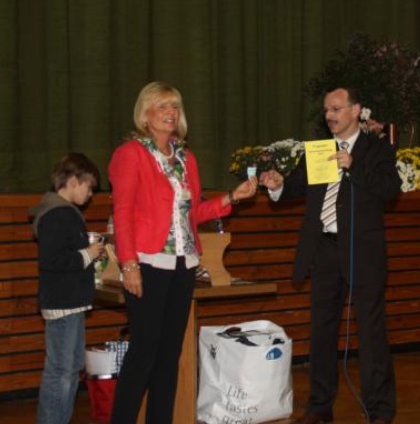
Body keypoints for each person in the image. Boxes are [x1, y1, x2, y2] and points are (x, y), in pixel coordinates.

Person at [108, 81, 257, 424]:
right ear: (145, 114)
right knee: (144, 351)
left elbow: (195, 214)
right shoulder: (130, 154)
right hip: (147, 261)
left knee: (169, 353)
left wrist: (232, 197)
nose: (170, 113)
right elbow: (123, 212)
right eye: (162, 106)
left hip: (183, 263)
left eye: (174, 106)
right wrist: (129, 264)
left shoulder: (186, 158)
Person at [259, 86, 402, 424]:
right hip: (324, 249)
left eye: (336, 108)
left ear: (356, 110)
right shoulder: (319, 149)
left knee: (370, 331)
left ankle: (380, 410)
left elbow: (390, 191)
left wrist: (353, 165)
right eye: (326, 110)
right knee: (322, 329)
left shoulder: (377, 149)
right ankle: (320, 407)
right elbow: (296, 186)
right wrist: (278, 185)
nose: (330, 115)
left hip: (363, 251)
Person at [29, 152, 104, 424]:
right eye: (89, 187)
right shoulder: (57, 214)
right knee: (61, 370)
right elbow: (51, 260)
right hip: (63, 304)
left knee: (71, 368)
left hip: (70, 303)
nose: (90, 194)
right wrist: (88, 254)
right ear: (73, 181)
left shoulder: (63, 212)